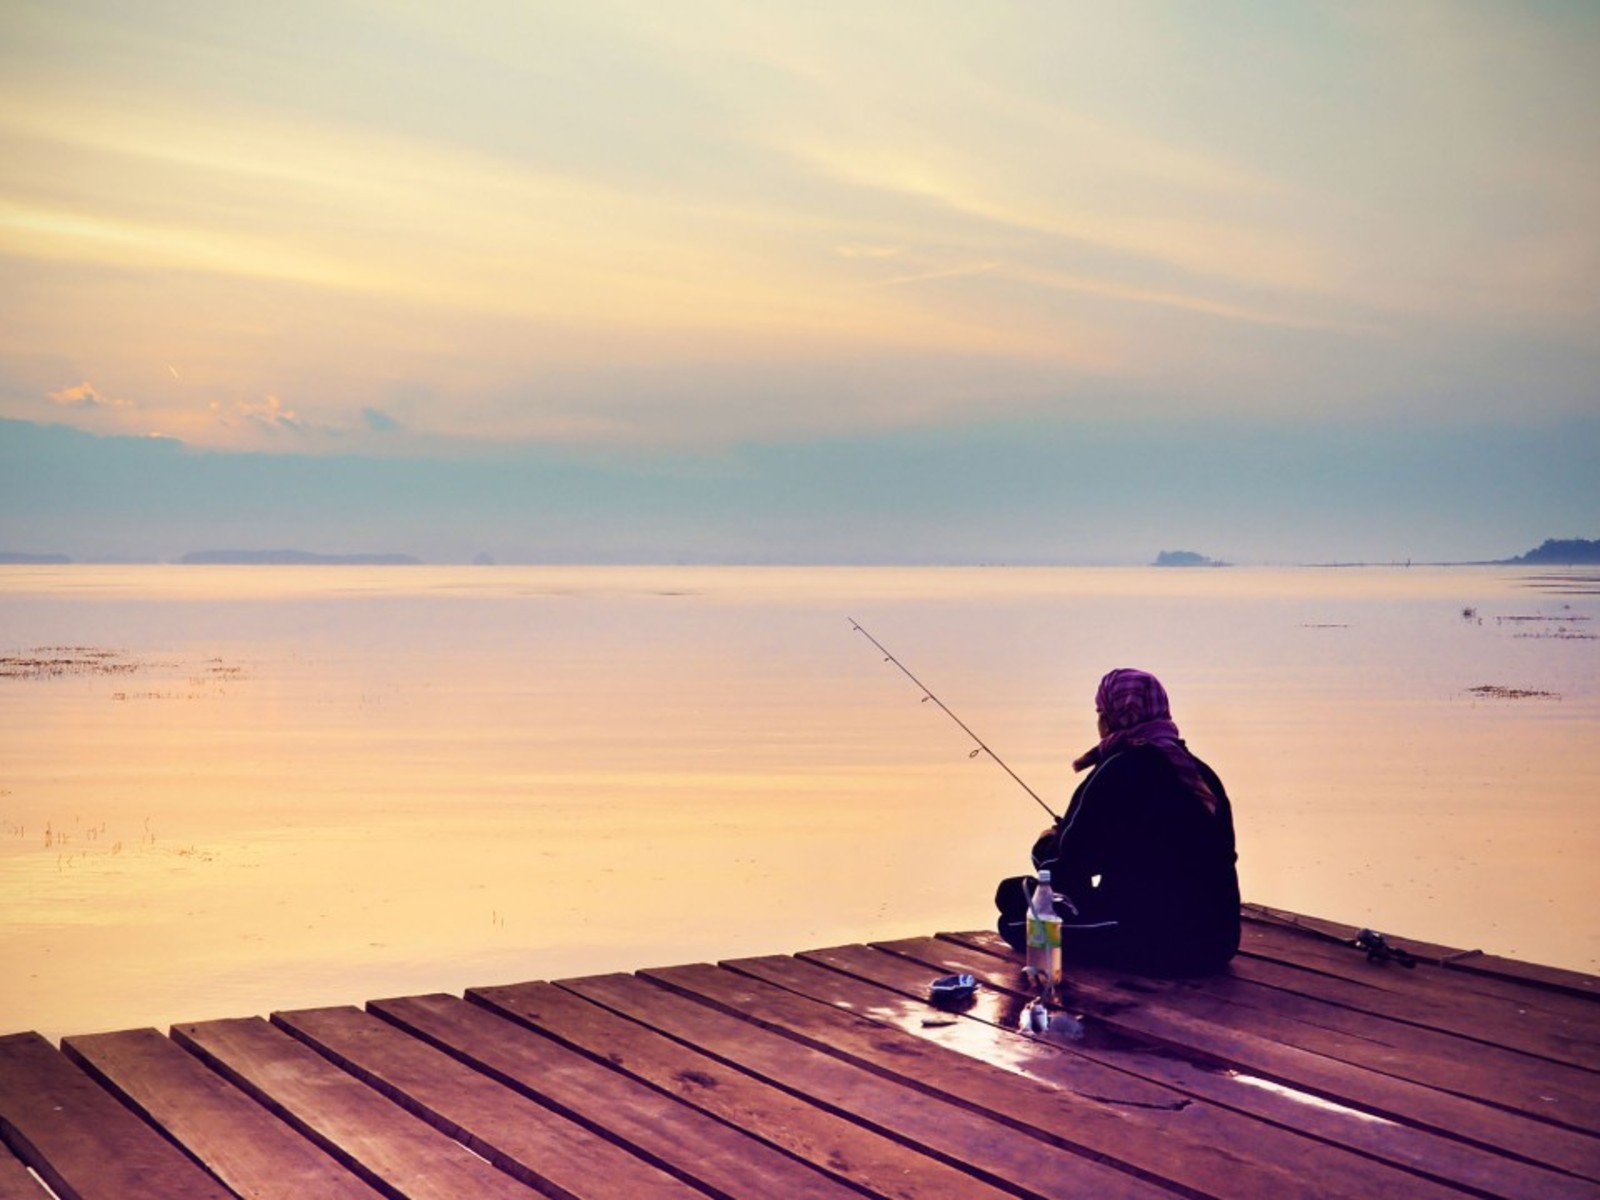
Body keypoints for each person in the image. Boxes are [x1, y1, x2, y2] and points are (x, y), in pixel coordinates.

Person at [996, 668, 1240, 976]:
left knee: (1013, 910)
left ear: (1110, 718)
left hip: (1158, 942)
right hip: (1219, 941)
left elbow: (1063, 871)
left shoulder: (1116, 771)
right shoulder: (1201, 774)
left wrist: (1045, 843)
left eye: (1100, 713)